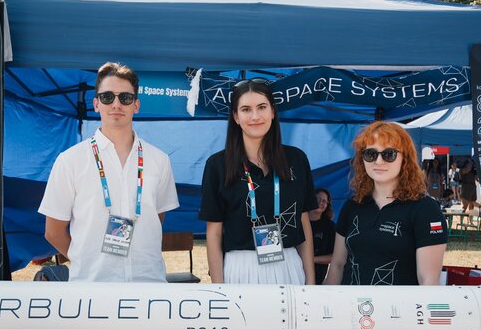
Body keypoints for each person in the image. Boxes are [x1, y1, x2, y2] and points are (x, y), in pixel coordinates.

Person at [38, 62, 179, 282]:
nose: (116, 104)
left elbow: (155, 218)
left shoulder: (159, 160)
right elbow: (53, 231)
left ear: (136, 105)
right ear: (96, 104)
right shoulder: (70, 160)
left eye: (125, 98)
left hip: (148, 285)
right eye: (107, 97)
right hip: (92, 288)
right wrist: (87, 260)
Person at [323, 121, 448, 329]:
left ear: (405, 159)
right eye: (370, 154)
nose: (378, 161)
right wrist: (324, 317)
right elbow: (337, 266)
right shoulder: (352, 207)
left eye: (389, 154)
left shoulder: (425, 209)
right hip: (350, 325)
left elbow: (429, 280)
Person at [199, 78, 317, 285]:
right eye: (246, 109)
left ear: (272, 111)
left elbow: (304, 223)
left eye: (262, 107)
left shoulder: (297, 159)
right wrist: (218, 288)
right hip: (240, 267)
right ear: (236, 117)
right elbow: (214, 233)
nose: (255, 116)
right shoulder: (217, 165)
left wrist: (311, 282)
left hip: (288, 264)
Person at [309, 188, 336, 284]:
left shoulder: (330, 227)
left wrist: (311, 259)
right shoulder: (298, 222)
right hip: (296, 271)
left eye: (324, 201)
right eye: (318, 199)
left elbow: (334, 256)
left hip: (317, 277)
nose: (321, 202)